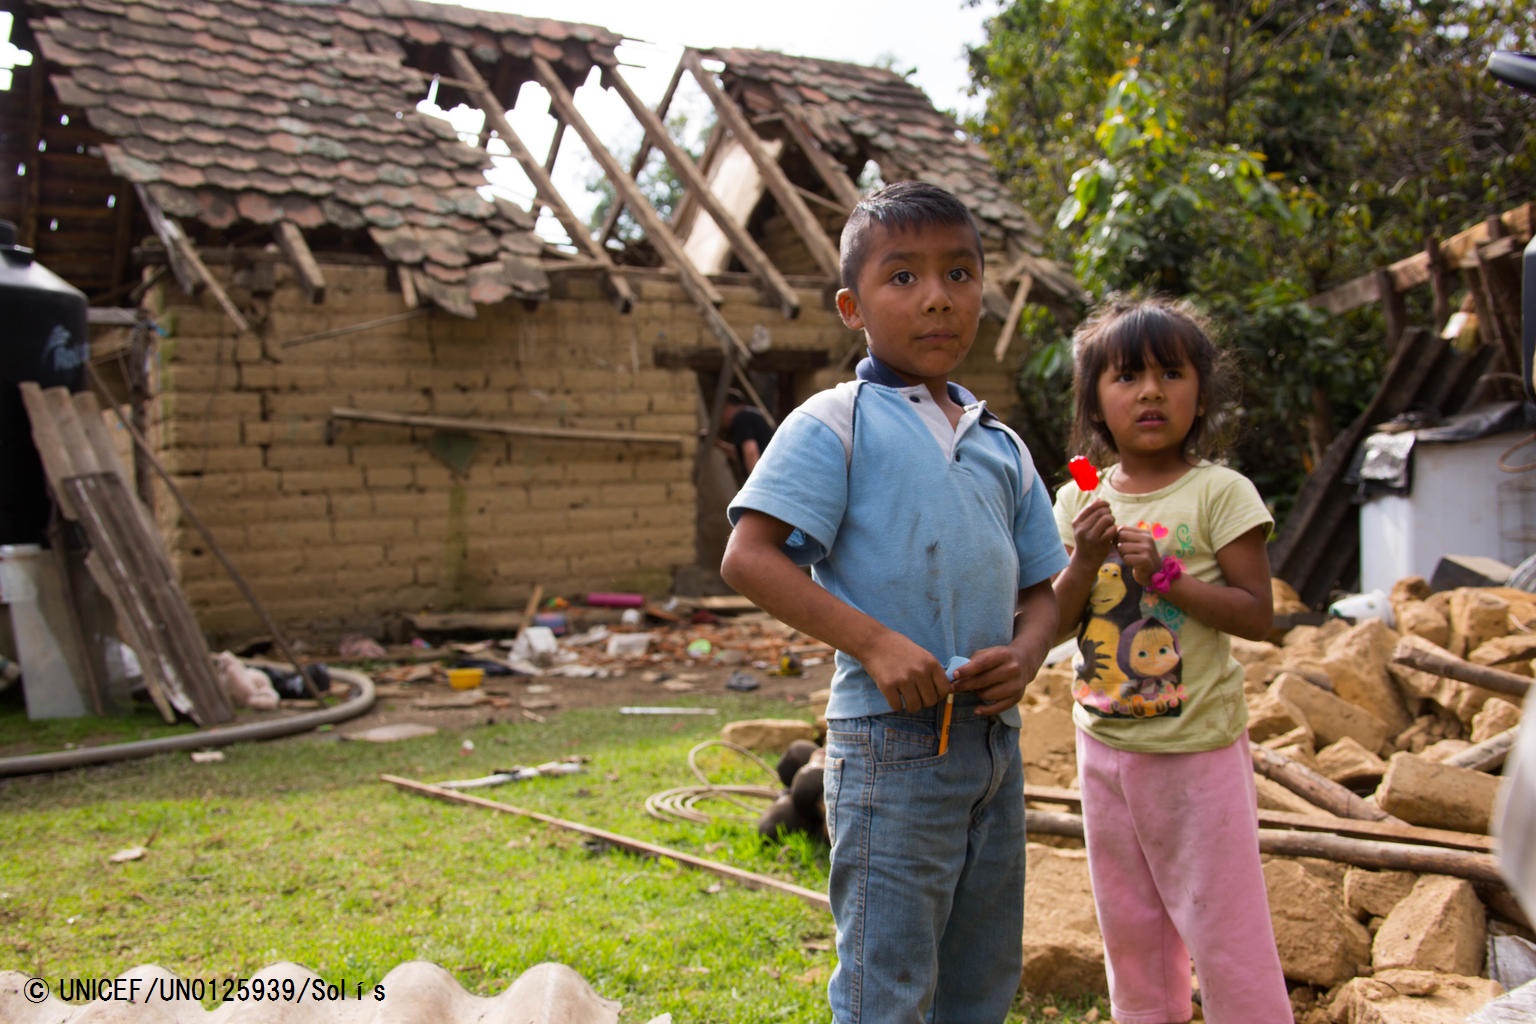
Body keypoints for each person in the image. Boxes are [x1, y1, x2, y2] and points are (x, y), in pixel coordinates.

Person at [721, 180, 1067, 1023]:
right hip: (888, 747)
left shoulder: (1001, 442)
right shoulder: (835, 423)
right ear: (853, 305)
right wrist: (876, 643)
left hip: (994, 747)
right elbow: (749, 558)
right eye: (903, 277)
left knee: (980, 981)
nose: (937, 297)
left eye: (959, 273)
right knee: (889, 985)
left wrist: (1024, 656)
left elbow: (1045, 592)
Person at [1051, 293, 1291, 1024]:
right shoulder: (1074, 503)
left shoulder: (1218, 493)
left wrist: (1168, 578)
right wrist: (1084, 562)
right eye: (1126, 376)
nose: (1150, 391)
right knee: (1132, 931)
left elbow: (1260, 617)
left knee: (1224, 931)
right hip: (1105, 747)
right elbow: (1056, 623)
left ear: (1203, 393)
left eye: (1170, 373)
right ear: (1096, 402)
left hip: (1197, 753)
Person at [718, 387, 774, 477]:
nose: (720, 417)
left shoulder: (742, 417)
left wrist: (755, 482)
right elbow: (740, 455)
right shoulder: (751, 414)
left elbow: (751, 452)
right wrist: (719, 444)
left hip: (767, 476)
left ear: (727, 407)